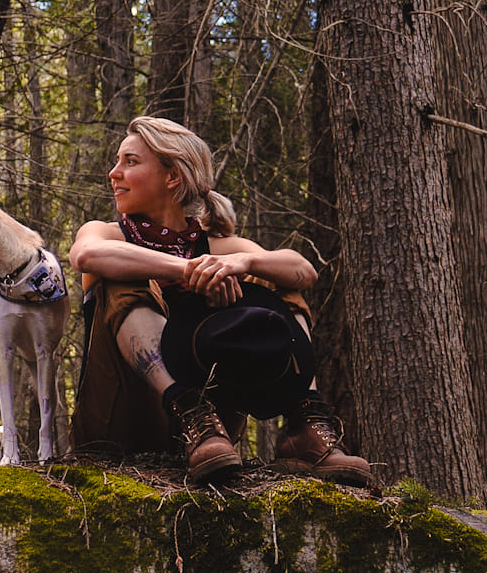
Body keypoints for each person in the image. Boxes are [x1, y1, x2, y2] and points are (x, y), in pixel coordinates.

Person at [68, 116, 374, 486]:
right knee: (122, 277)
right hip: (122, 419)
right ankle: (189, 409)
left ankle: (304, 425)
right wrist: (190, 272)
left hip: (214, 438)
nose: (113, 173)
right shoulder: (106, 232)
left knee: (276, 279)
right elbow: (87, 256)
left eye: (130, 162)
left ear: (172, 176)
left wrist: (242, 262)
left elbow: (303, 271)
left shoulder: (218, 246)